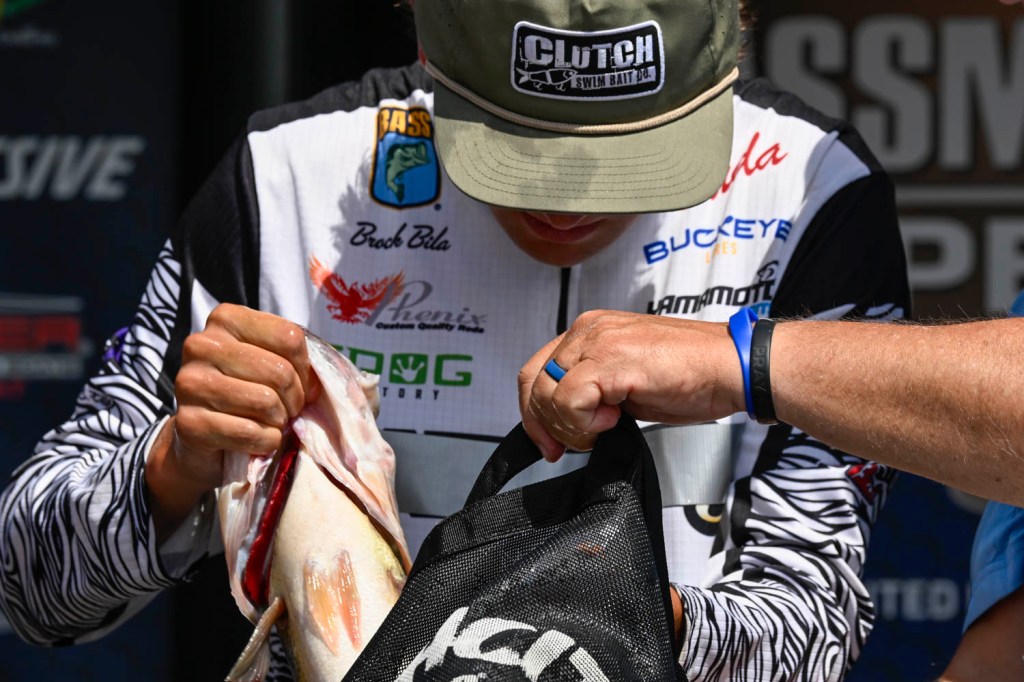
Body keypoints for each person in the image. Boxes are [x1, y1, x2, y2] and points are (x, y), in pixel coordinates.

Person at [0, 0, 911, 679]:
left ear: (731, 43)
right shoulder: (285, 186)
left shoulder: (811, 191)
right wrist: (171, 469)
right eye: (519, 145)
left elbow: (815, 630)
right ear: (429, 48)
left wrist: (622, 620)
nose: (568, 202)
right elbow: (29, 584)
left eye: (628, 151)